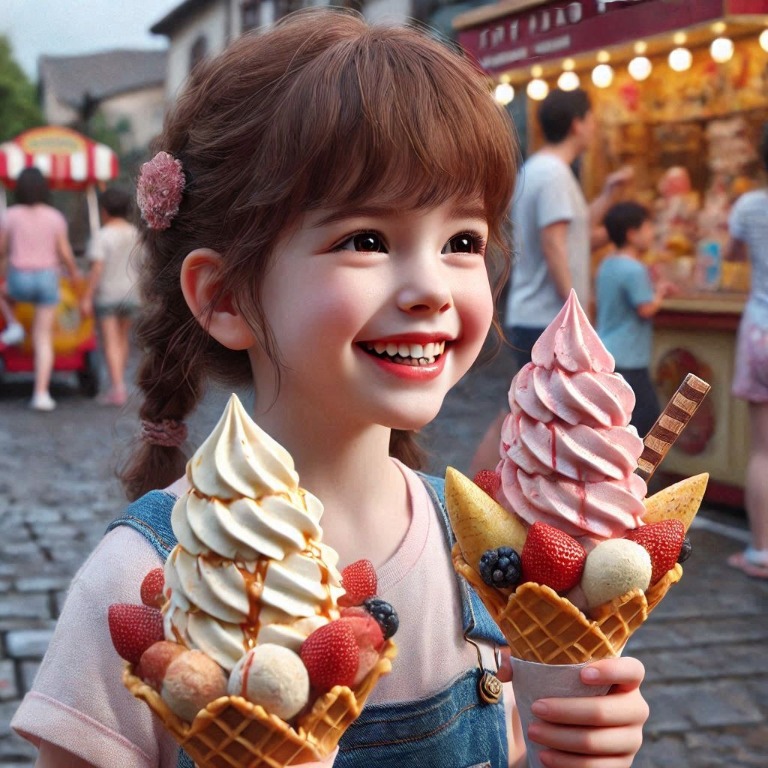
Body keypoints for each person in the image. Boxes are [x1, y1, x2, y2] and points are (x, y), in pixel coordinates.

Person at [11, 10, 649, 768]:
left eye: (462, 242)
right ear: (223, 298)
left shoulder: (488, 553)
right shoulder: (137, 584)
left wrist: (575, 750)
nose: (430, 288)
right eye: (367, 240)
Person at [470, 88, 632, 476]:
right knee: (520, 413)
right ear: (577, 123)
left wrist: (608, 198)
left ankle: (484, 491)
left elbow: (570, 235)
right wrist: (574, 310)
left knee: (524, 411)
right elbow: (553, 242)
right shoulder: (554, 174)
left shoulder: (544, 170)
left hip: (539, 313)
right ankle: (475, 491)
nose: (593, 128)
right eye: (591, 119)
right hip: (548, 317)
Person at [724, 124, 768, 580]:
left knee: (763, 450)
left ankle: (760, 551)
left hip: (760, 328)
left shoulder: (750, 205)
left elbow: (733, 252)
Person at [595, 201, 678, 439]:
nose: (652, 233)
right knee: (646, 418)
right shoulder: (634, 269)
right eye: (648, 227)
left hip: (608, 352)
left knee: (617, 420)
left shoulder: (607, 263)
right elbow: (645, 308)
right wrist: (660, 294)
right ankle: (633, 473)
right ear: (632, 234)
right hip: (629, 357)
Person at [0, 167, 80, 410]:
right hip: (47, 279)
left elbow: (2, 250)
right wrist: (74, 274)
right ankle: (41, 394)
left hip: (19, 280)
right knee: (42, 337)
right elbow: (65, 253)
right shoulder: (54, 216)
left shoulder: (9, 215)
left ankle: (12, 324)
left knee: (3, 294)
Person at [81, 187, 143, 406]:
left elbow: (96, 269)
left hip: (107, 296)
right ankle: (119, 384)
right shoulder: (137, 234)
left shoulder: (102, 235)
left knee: (110, 342)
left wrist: (87, 297)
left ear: (104, 210)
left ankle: (117, 387)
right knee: (123, 339)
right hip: (132, 294)